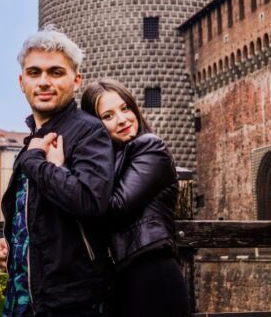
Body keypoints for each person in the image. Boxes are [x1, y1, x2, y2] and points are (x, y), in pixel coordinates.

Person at [0, 26, 114, 316]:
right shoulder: (34, 140)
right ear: (22, 81)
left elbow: (91, 201)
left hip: (71, 303)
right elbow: (26, 210)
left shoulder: (87, 132)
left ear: (76, 80)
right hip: (23, 299)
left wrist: (36, 161)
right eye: (35, 73)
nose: (44, 82)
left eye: (56, 72)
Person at [68, 79, 189, 316]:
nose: (123, 119)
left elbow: (114, 208)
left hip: (152, 274)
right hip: (122, 277)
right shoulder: (110, 160)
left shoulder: (150, 147)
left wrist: (59, 171)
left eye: (125, 109)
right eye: (108, 115)